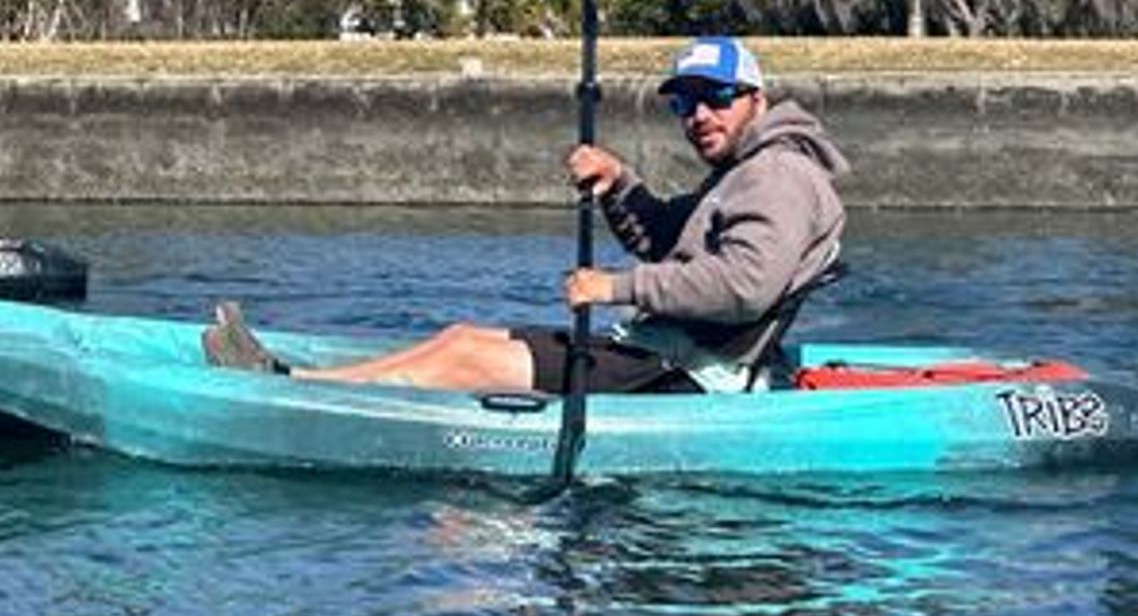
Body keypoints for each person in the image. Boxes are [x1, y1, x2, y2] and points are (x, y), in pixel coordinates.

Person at [202, 32, 848, 392]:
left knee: (463, 361)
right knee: (460, 339)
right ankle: (299, 381)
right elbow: (667, 241)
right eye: (685, 105)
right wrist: (618, 182)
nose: (699, 116)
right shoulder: (741, 175)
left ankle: (291, 393)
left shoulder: (778, 176)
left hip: (685, 373)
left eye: (717, 98)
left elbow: (742, 286)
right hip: (657, 350)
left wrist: (614, 288)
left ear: (757, 100)